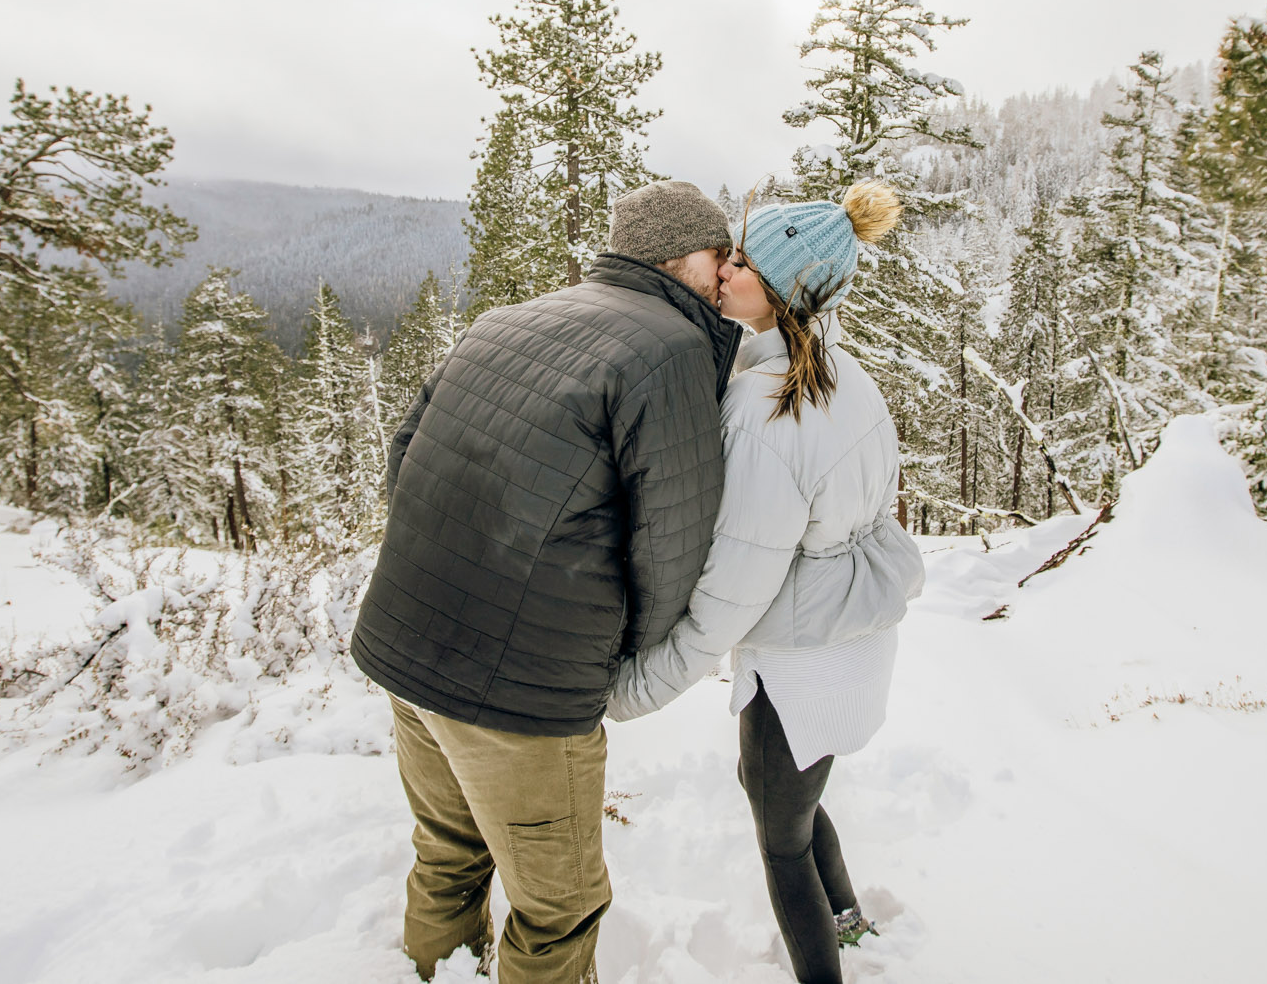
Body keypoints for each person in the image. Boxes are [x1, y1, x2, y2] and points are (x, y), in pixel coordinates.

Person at [351, 179, 742, 984]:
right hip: (519, 691)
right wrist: (613, 656)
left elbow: (404, 456)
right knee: (557, 908)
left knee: (448, 860)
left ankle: (430, 971)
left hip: (403, 643)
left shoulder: (506, 319)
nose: (727, 270)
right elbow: (671, 541)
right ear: (681, 256)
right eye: (719, 253)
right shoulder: (670, 348)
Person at [608, 181, 925, 984]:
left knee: (779, 837)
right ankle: (848, 916)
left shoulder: (769, 408)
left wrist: (641, 684)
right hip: (844, 638)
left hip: (802, 658)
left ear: (782, 289)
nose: (724, 270)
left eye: (742, 261)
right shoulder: (835, 373)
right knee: (776, 786)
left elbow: (735, 586)